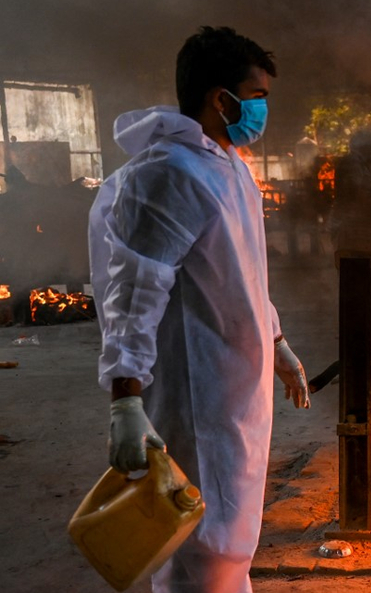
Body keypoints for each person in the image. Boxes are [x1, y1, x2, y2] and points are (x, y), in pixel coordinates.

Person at [88, 26, 309, 593]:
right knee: (198, 546)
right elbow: (134, 294)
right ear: (220, 98)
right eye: (255, 95)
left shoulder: (228, 166)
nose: (261, 110)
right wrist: (126, 401)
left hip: (235, 391)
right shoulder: (168, 174)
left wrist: (276, 340)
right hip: (197, 397)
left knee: (229, 542)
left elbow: (242, 271)